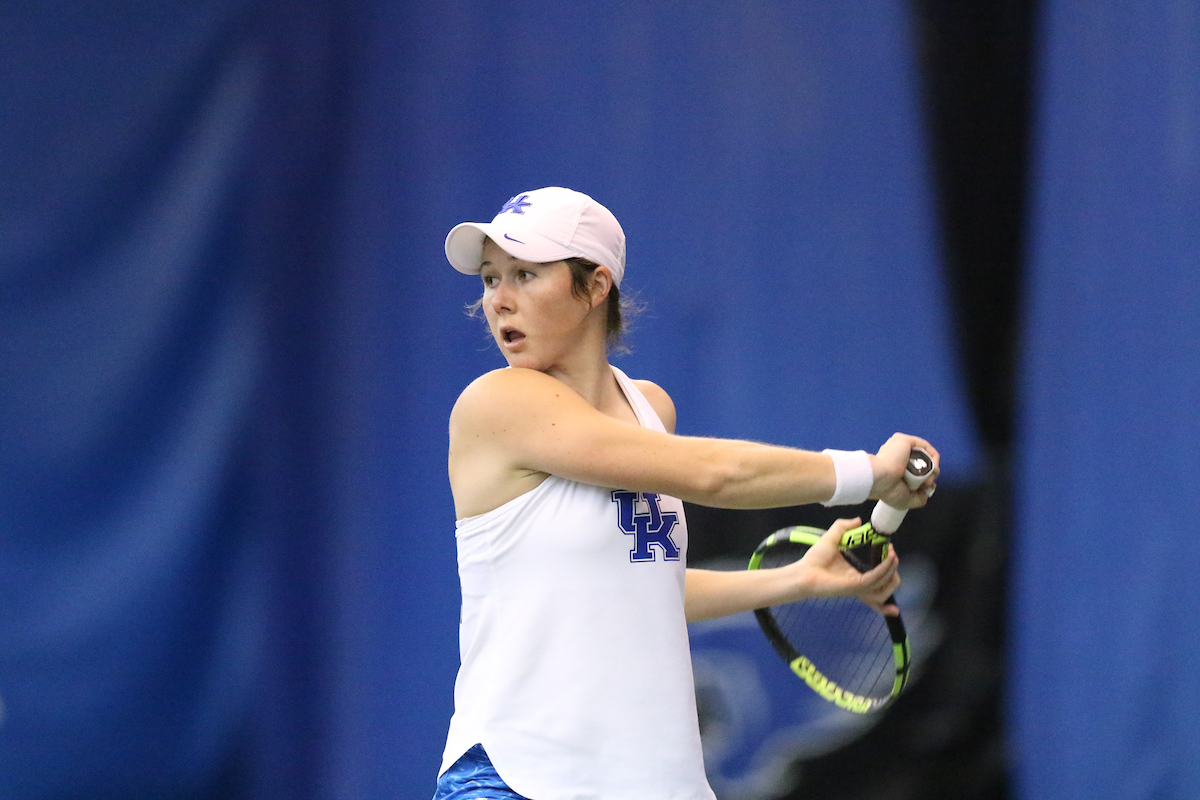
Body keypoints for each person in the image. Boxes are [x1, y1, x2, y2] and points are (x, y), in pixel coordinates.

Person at [434, 187, 939, 800]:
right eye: (490, 280)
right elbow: (714, 475)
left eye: (525, 275)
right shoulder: (498, 403)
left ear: (595, 287)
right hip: (518, 779)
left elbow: (643, 582)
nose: (499, 301)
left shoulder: (650, 409)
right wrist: (867, 474)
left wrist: (795, 580)